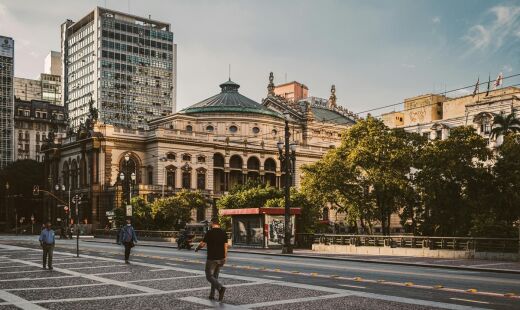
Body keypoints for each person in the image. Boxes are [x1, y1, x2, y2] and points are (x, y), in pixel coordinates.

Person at [195, 217, 228, 301]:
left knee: (209, 276)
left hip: (212, 258)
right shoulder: (223, 232)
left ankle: (220, 288)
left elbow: (203, 244)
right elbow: (226, 246)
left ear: (213, 223)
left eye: (210, 222)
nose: (209, 224)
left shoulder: (209, 233)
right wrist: (225, 257)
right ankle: (212, 295)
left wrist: (197, 248)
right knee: (215, 277)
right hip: (221, 258)